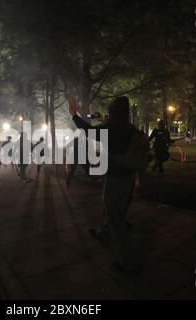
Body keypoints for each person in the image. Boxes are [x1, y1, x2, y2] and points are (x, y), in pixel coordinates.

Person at [69, 95, 147, 273]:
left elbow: (88, 130)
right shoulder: (130, 128)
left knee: (115, 220)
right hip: (129, 179)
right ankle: (104, 235)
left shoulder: (111, 129)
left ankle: (128, 263)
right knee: (117, 212)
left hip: (115, 179)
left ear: (113, 112)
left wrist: (74, 114)